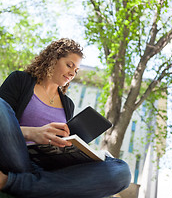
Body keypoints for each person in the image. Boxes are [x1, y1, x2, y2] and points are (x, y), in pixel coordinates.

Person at [0, 38, 131, 198]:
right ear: (52, 59)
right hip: (17, 156)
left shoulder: (68, 104)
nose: (72, 73)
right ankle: (34, 185)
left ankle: (10, 182)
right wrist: (32, 133)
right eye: (69, 65)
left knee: (121, 171)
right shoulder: (20, 81)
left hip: (51, 167)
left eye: (76, 70)